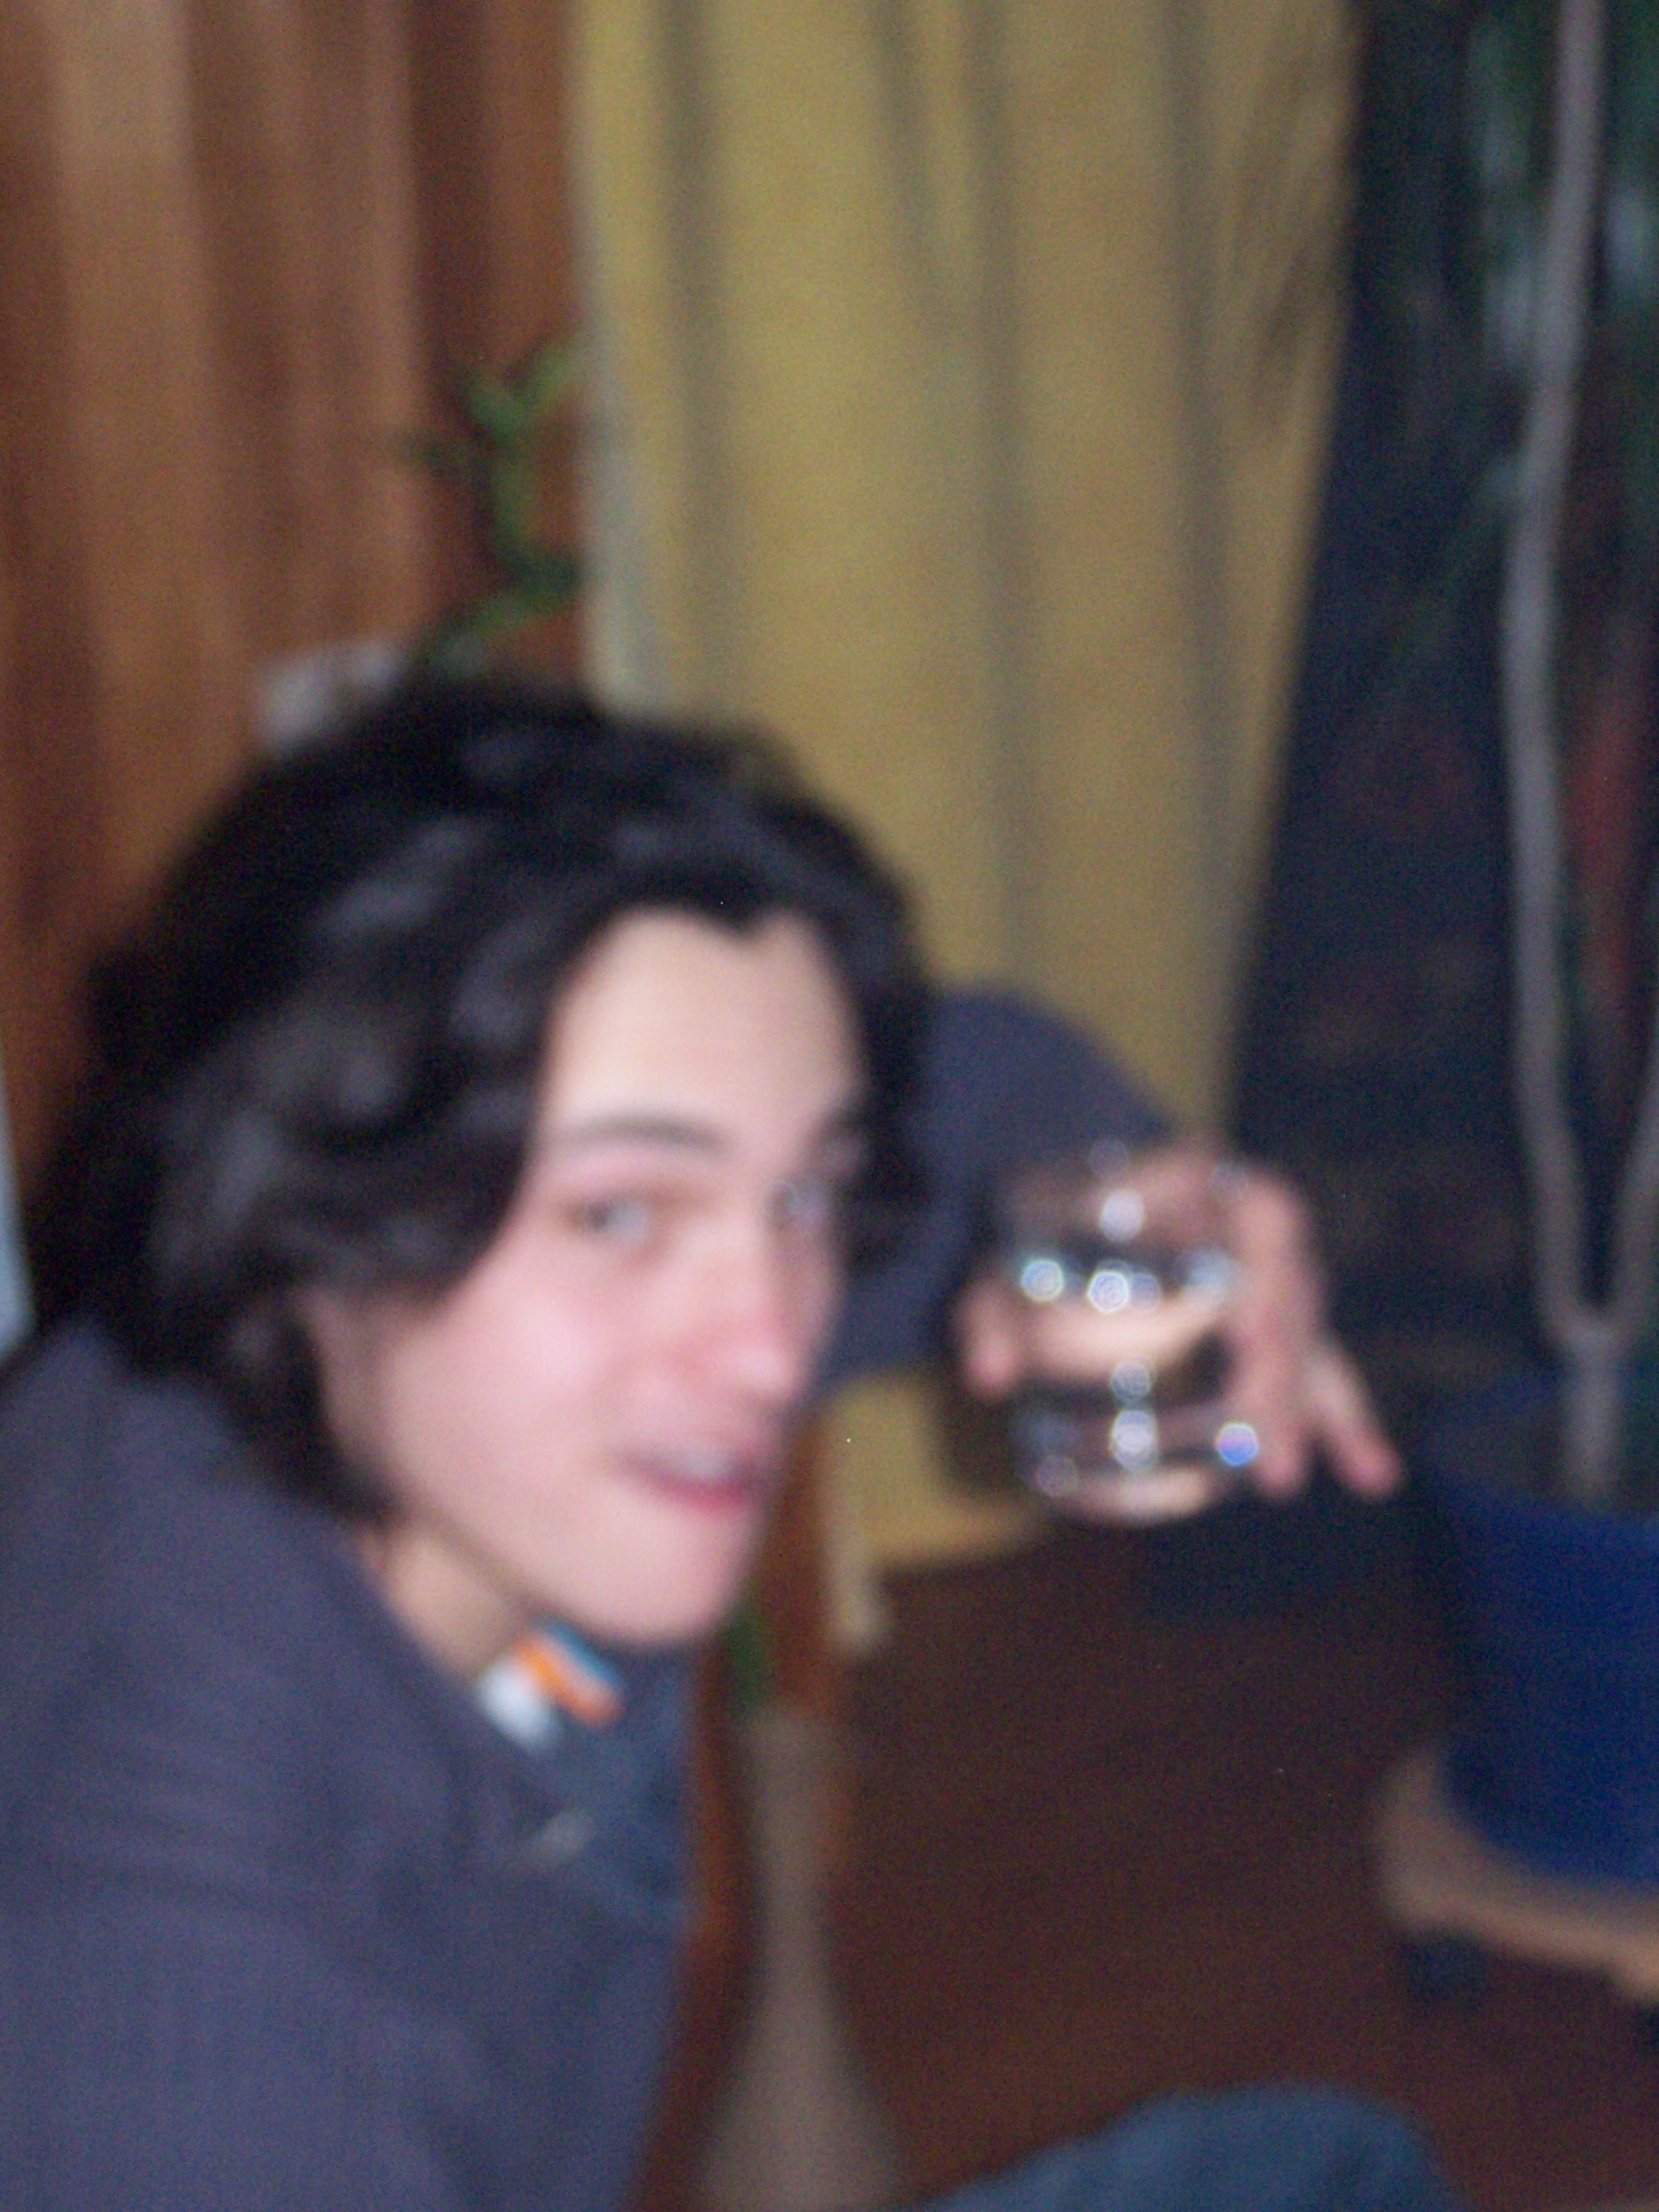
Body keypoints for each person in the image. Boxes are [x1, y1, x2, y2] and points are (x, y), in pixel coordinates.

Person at [0, 677, 1450, 2209]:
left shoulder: (245, 1359)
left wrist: (1132, 1190)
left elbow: (967, 1086)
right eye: (621, 1215)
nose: (772, 1345)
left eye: (804, 1196)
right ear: (313, 1209)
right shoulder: (194, 2006)